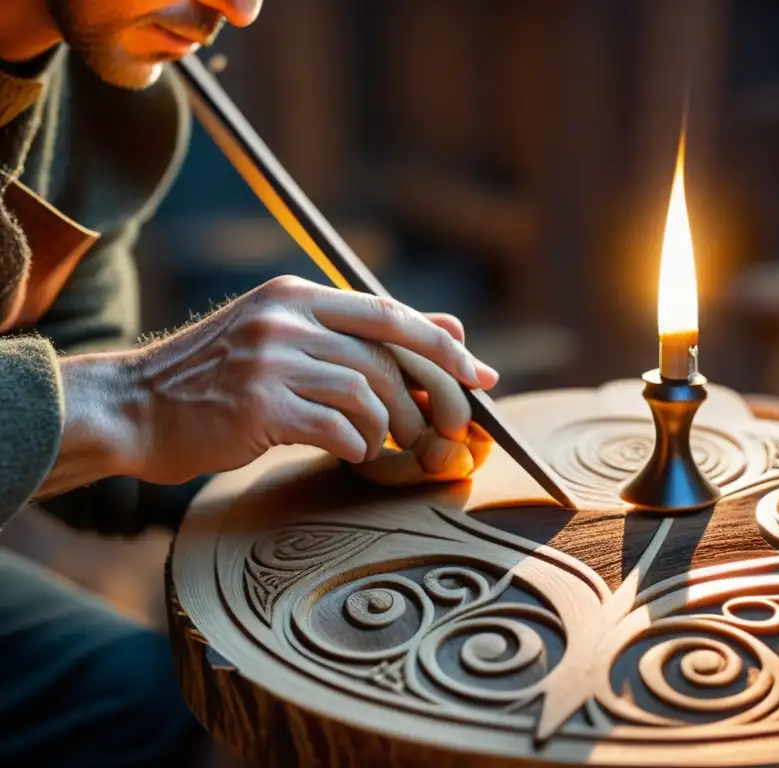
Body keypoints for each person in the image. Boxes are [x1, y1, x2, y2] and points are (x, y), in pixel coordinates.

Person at [0, 1, 499, 764]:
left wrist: (307, 452)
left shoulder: (115, 112)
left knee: (217, 724)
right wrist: (135, 402)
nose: (239, 7)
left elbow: (74, 397)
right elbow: (106, 404)